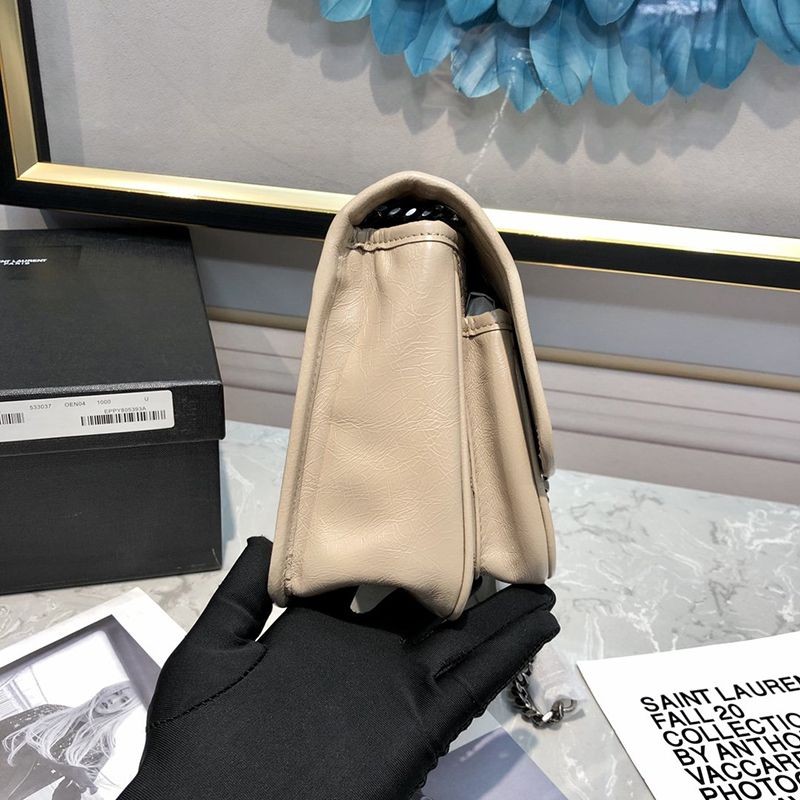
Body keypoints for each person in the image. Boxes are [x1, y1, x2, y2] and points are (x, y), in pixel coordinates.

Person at [0, 682, 139, 799]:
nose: (113, 700)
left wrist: (80, 787)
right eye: (116, 693)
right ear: (106, 691)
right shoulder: (50, 711)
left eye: (123, 701)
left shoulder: (100, 748)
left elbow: (67, 794)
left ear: (125, 710)